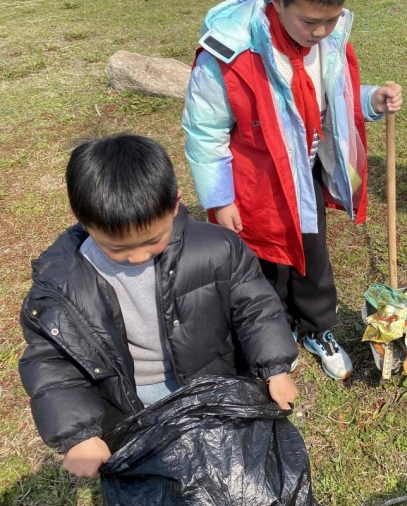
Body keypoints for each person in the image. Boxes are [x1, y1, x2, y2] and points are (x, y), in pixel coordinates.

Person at [18, 134, 299, 479]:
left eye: (153, 240)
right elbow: (52, 361)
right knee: (160, 478)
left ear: (175, 204)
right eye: (116, 249)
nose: (136, 257)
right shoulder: (61, 285)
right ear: (85, 223)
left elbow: (256, 307)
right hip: (130, 403)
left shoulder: (218, 249)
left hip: (210, 382)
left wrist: (275, 367)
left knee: (220, 464)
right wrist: (79, 434)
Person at [183, 0, 403, 380]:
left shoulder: (329, 40)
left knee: (312, 253)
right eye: (309, 21)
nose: (321, 31)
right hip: (255, 183)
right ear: (277, 1)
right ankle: (270, 333)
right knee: (262, 264)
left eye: (331, 19)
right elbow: (205, 133)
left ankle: (317, 327)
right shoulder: (228, 55)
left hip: (306, 173)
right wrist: (220, 196)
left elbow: (331, 102)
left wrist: (370, 100)